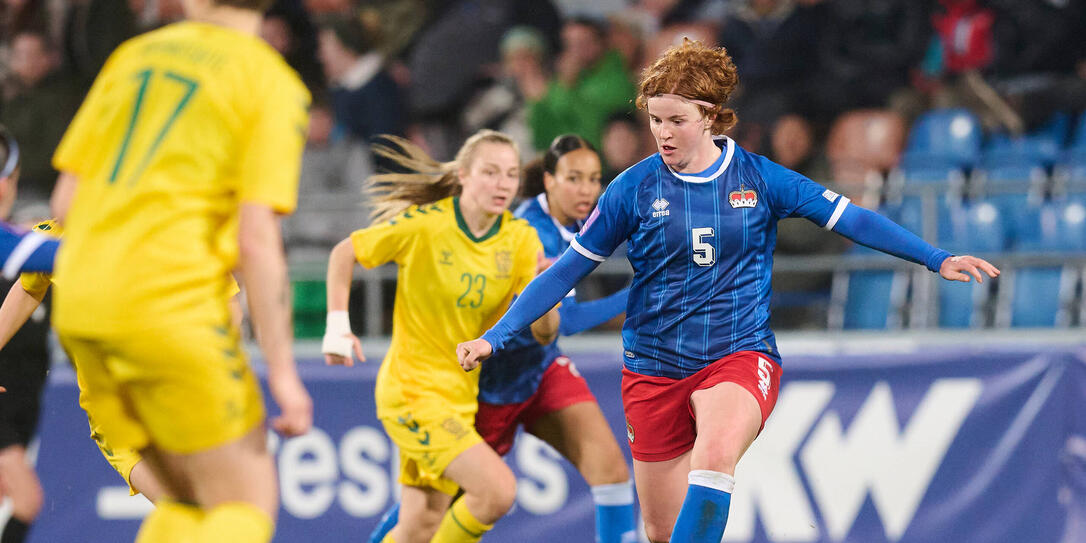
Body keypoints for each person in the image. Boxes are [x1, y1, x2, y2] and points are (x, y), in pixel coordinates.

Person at [457, 39, 1001, 543]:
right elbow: (562, 273)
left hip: (738, 355)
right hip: (651, 370)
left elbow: (853, 220)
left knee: (715, 456)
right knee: (662, 532)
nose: (663, 133)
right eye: (655, 120)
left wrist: (937, 258)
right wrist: (496, 336)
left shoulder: (762, 179)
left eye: (677, 120)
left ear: (712, 117)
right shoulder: (632, 189)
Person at [46, 0, 314, 540]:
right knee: (246, 500)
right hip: (170, 307)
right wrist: (283, 373)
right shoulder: (270, 82)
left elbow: (63, 203)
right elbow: (256, 241)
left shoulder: (133, 56)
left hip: (82, 304)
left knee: (188, 501)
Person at [367, 134, 636, 543]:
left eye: (594, 179)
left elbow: (551, 335)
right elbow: (563, 322)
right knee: (441, 503)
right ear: (549, 181)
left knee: (612, 471)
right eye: (574, 179)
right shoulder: (528, 233)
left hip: (542, 368)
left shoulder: (580, 224)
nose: (586, 190)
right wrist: (635, 295)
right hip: (495, 380)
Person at [322, 129, 559, 543]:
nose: (502, 184)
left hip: (458, 398)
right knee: (497, 491)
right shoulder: (426, 226)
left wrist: (549, 291)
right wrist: (338, 326)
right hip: (412, 391)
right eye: (490, 172)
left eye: (509, 174)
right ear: (464, 175)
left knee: (420, 527)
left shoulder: (521, 240)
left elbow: (543, 334)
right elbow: (346, 252)